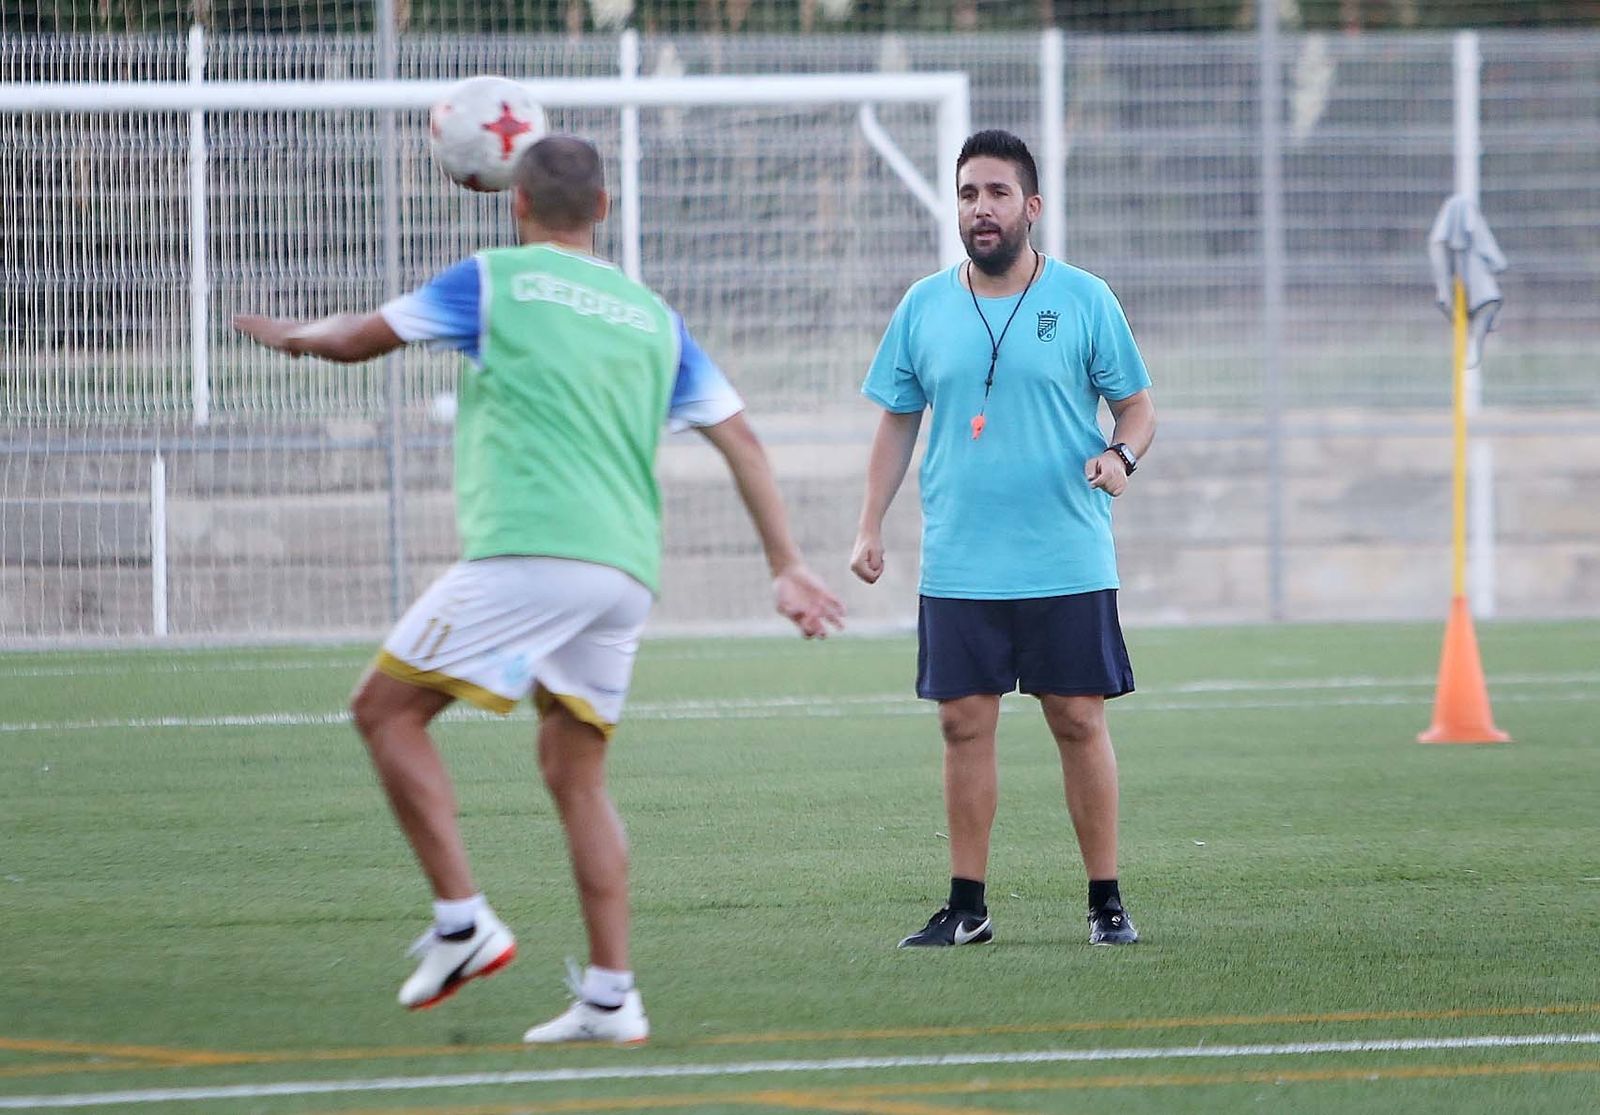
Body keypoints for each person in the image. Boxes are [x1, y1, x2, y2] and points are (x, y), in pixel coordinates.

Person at [234, 134, 844, 1043]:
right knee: (573, 769)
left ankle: (462, 924)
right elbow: (742, 442)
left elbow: (359, 339)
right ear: (603, 210)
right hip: (625, 572)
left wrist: (291, 335)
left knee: (385, 712)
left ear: (514, 204)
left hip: (533, 552)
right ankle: (611, 994)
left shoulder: (493, 279)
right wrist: (785, 563)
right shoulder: (652, 316)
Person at [849, 129, 1155, 949]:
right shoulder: (922, 305)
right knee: (962, 722)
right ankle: (967, 905)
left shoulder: (1086, 299)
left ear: (1031, 207)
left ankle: (1106, 902)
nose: (980, 209)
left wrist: (1120, 456)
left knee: (1078, 718)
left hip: (1065, 551)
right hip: (960, 557)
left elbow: (1138, 407)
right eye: (968, 194)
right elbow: (896, 421)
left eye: (995, 193)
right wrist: (869, 523)